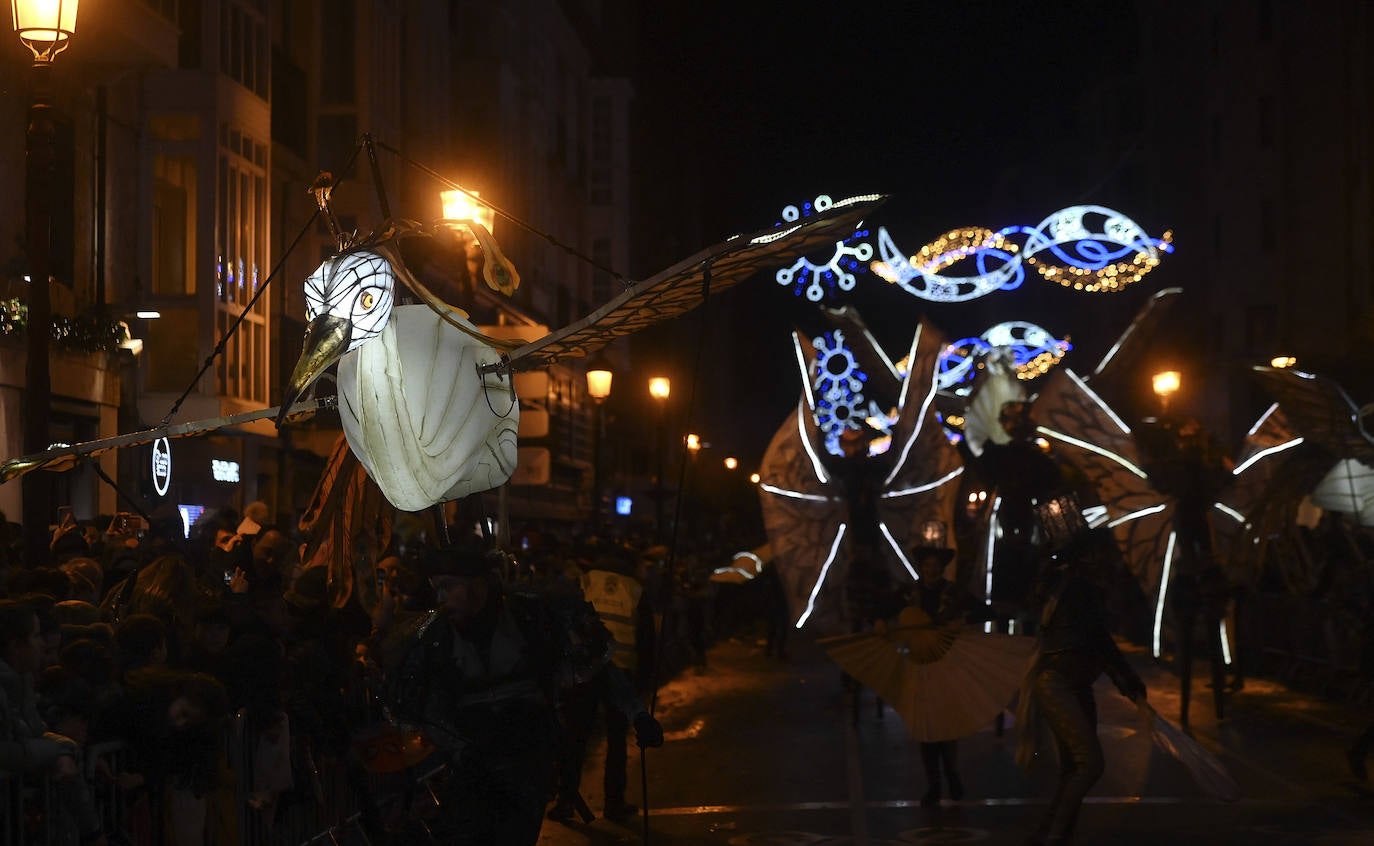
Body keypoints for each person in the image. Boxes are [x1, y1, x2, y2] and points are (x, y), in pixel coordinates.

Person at [377, 543, 662, 845]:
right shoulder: (436, 638)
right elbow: (419, 709)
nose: (441, 598)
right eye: (437, 588)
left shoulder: (533, 621)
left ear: (477, 583)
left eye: (448, 586)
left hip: (527, 766)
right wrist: (457, 745)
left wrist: (639, 714)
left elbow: (600, 669)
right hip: (472, 770)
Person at [1017, 509, 1148, 846]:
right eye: (1101, 553)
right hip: (1058, 682)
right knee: (1089, 765)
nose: (1107, 560)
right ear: (1088, 556)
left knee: (1075, 766)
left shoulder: (1077, 585)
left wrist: (1126, 680)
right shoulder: (1075, 587)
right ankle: (1054, 837)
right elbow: (1095, 638)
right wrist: (1126, 679)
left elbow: (1098, 638)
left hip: (1075, 683)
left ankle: (1052, 834)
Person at [548, 552, 659, 823]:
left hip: (585, 670)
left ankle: (565, 802)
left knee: (576, 737)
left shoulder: (585, 580)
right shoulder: (634, 589)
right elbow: (646, 637)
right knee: (616, 739)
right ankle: (614, 803)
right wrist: (646, 681)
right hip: (621, 667)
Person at [909, 541, 968, 807]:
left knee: (945, 724)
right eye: (927, 565)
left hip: (945, 664)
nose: (931, 570)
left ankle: (952, 775)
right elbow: (885, 608)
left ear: (942, 568)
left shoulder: (952, 593)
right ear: (921, 568)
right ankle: (934, 784)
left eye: (935, 565)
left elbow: (976, 610)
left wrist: (960, 622)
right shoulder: (911, 593)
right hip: (920, 665)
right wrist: (880, 620)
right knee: (925, 726)